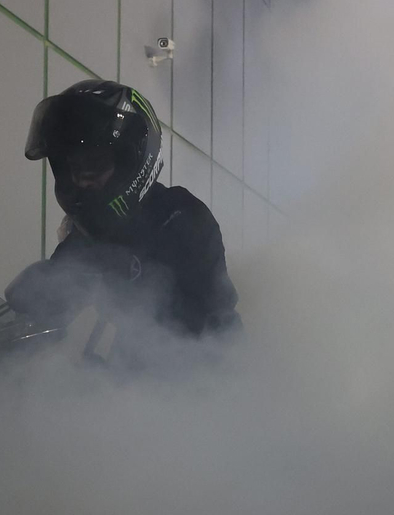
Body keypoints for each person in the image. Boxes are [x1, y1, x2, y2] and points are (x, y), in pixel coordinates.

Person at [13, 79, 238, 338]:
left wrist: (120, 279)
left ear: (131, 160)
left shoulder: (181, 217)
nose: (82, 181)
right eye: (74, 168)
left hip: (206, 361)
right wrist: (30, 300)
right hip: (124, 361)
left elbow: (206, 320)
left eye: (93, 165)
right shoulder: (87, 235)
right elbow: (53, 304)